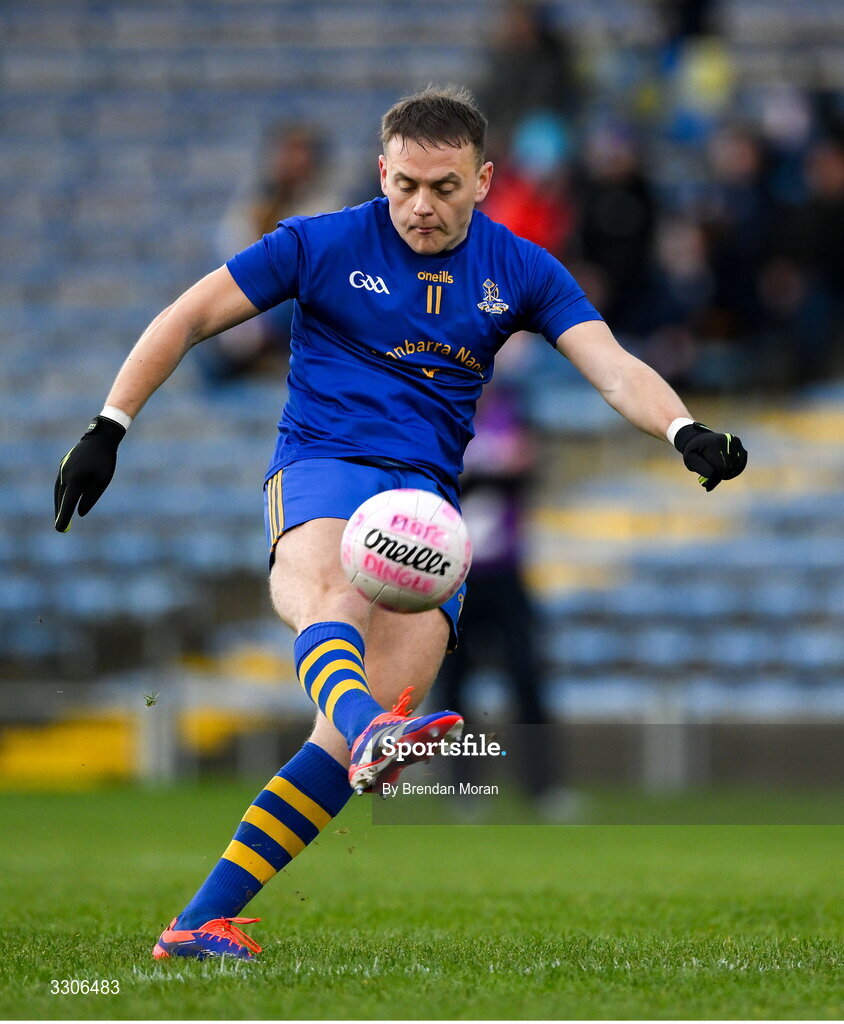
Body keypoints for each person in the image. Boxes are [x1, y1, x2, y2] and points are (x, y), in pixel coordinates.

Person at [53, 85, 747, 961]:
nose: (422, 204)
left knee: (348, 733)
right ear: (383, 171)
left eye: (445, 187)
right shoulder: (320, 242)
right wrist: (108, 425)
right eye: (406, 183)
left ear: (484, 180)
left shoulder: (522, 270)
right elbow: (189, 316)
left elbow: (611, 367)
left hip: (427, 505)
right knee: (333, 597)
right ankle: (375, 735)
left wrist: (683, 430)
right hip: (322, 467)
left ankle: (198, 921)